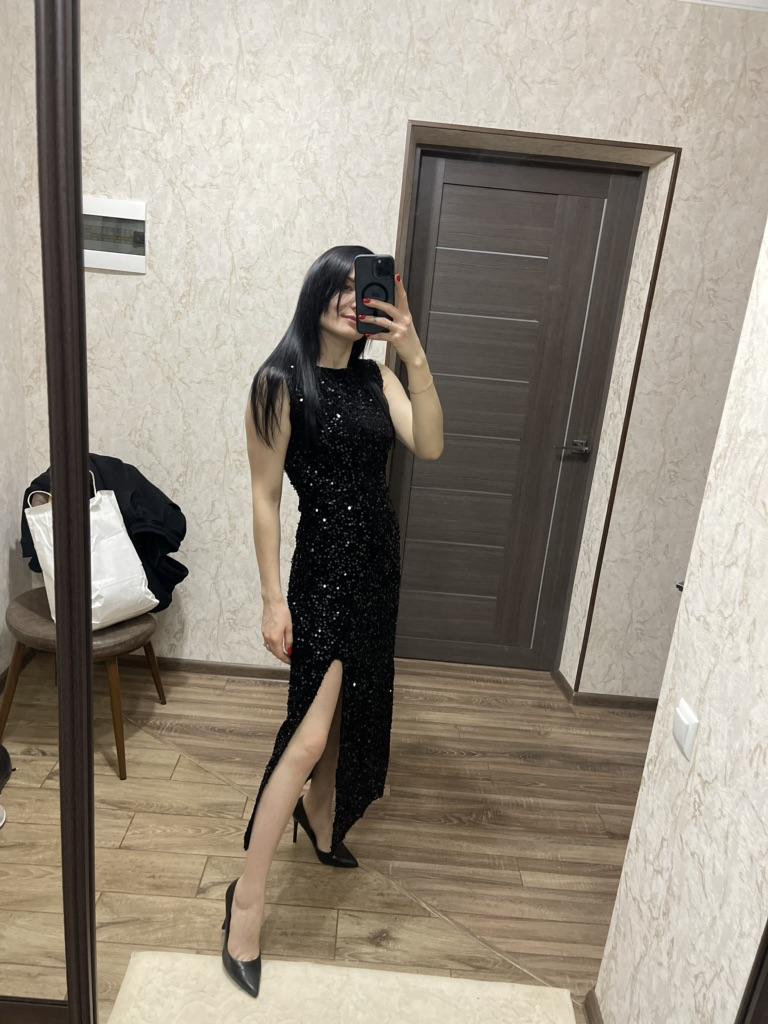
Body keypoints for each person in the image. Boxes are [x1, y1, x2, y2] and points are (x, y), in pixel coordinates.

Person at [222, 244, 444, 997]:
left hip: (378, 566)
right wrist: (270, 598)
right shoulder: (279, 382)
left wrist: (412, 350)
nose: (355, 299)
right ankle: (245, 901)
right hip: (323, 570)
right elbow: (265, 498)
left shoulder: (381, 377)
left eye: (365, 287)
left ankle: (322, 823)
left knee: (352, 711)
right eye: (341, 286)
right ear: (315, 292)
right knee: (310, 733)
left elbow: (430, 444)